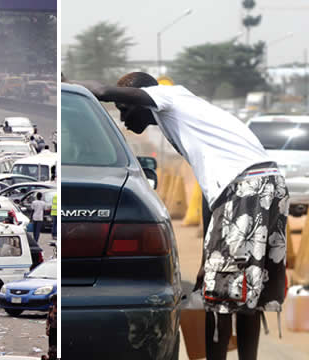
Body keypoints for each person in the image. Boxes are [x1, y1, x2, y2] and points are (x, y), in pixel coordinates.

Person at [92, 71, 288, 360]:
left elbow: (104, 90)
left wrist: (70, 86)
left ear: (143, 100)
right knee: (248, 293)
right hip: (267, 182)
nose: (124, 119)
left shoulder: (168, 98)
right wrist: (207, 256)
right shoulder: (182, 119)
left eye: (125, 110)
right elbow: (213, 197)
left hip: (246, 188)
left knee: (218, 296)